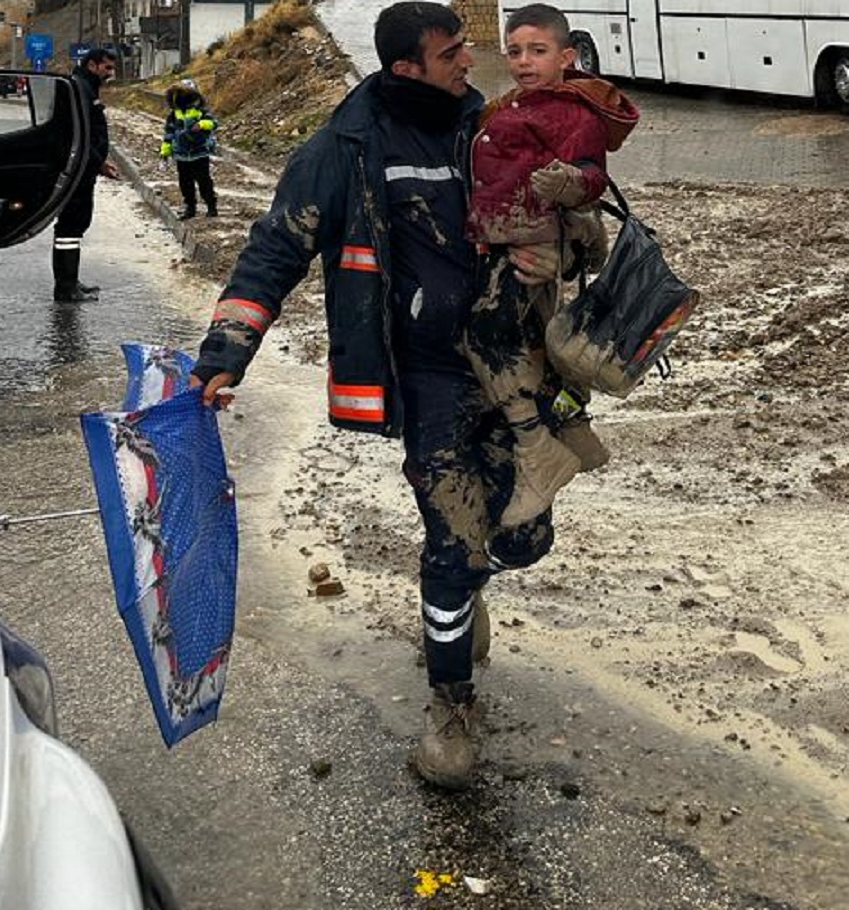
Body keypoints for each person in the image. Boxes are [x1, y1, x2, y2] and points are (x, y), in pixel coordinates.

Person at [190, 2, 584, 790]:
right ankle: (451, 707)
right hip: (428, 379)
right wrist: (225, 353)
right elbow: (275, 248)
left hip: (515, 368)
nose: (469, 63)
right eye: (450, 55)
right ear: (406, 67)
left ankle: (470, 592)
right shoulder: (345, 148)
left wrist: (567, 247)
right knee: (451, 538)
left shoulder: (491, 124)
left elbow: (568, 216)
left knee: (523, 535)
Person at [464, 3, 638, 528]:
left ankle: (538, 449)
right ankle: (575, 428)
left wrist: (572, 187)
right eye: (514, 52)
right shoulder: (515, 105)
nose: (523, 61)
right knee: (531, 340)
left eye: (537, 51)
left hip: (527, 247)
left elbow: (592, 174)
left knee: (488, 337)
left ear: (567, 56)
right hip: (506, 242)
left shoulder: (571, 111)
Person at [53, 47, 120, 303]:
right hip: (79, 169)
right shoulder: (80, 88)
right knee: (70, 226)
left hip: (85, 167)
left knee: (75, 225)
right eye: (107, 68)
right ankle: (66, 288)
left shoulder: (85, 86)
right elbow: (79, 134)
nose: (110, 73)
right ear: (93, 65)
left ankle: (71, 282)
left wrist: (100, 164)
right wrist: (95, 161)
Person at [161, 79, 219, 220]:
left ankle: (211, 206)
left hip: (199, 152)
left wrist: (202, 124)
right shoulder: (174, 114)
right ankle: (190, 207)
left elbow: (213, 123)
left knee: (204, 181)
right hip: (181, 155)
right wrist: (165, 152)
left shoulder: (200, 111)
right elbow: (169, 134)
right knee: (185, 183)